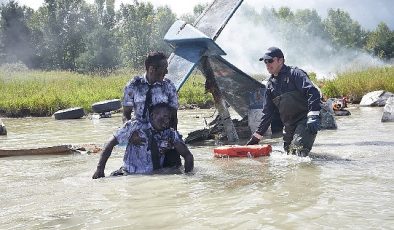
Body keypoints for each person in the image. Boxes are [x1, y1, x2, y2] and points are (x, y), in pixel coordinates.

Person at [246, 47, 321, 157]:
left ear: (280, 60)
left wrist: (313, 115)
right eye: (265, 62)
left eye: (270, 60)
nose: (267, 64)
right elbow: (267, 114)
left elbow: (313, 92)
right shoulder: (270, 86)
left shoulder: (295, 74)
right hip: (289, 125)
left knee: (297, 152)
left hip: (305, 120)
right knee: (288, 154)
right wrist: (256, 137)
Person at [92, 103, 194, 179]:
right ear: (153, 115)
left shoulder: (170, 134)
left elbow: (188, 156)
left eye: (168, 118)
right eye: (163, 116)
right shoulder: (135, 126)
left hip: (155, 176)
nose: (166, 121)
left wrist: (188, 178)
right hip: (128, 174)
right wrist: (100, 169)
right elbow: (110, 144)